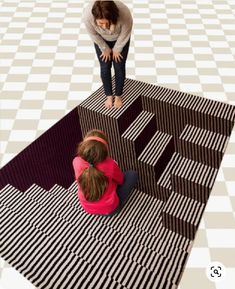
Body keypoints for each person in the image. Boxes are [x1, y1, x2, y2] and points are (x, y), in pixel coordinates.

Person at [72, 129, 138, 215]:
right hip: (111, 209)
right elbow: (121, 180)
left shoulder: (76, 161)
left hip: (87, 208)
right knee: (132, 174)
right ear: (104, 150)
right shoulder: (110, 164)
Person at [83, 1, 133, 108]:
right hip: (101, 40)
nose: (105, 27)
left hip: (120, 39)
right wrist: (104, 48)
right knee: (105, 66)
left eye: (107, 23)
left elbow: (126, 33)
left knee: (119, 66)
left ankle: (118, 96)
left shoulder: (124, 13)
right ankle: (109, 96)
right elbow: (93, 34)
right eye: (101, 24)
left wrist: (117, 48)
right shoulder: (87, 16)